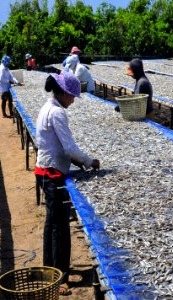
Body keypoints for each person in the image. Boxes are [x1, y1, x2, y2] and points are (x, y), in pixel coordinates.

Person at [34, 71, 100, 295]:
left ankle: (49, 268)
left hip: (44, 170)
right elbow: (69, 148)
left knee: (52, 223)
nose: (73, 99)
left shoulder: (47, 108)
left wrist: (75, 161)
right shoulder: (57, 113)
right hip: (52, 174)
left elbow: (56, 145)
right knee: (59, 226)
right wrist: (89, 161)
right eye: (71, 95)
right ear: (62, 93)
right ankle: (59, 276)